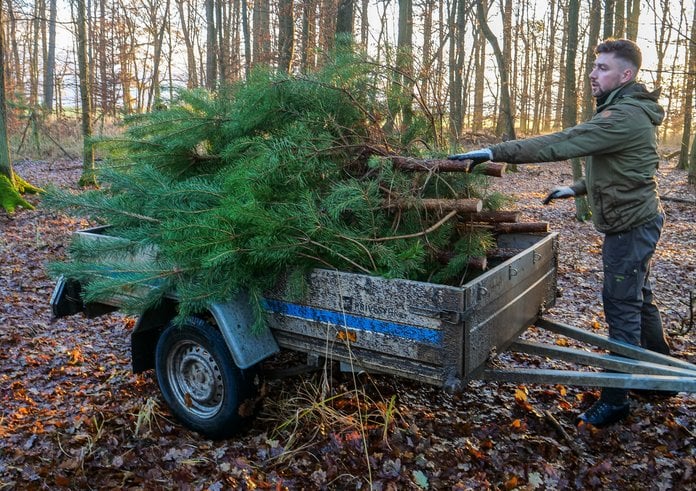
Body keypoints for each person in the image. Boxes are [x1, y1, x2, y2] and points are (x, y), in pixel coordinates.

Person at [449, 38, 672, 428]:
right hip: (638, 220)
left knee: (622, 306)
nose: (592, 73)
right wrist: (577, 188)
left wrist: (494, 151)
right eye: (593, 65)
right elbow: (628, 169)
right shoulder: (630, 111)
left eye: (602, 67)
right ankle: (661, 376)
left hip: (630, 228)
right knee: (640, 299)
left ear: (626, 74)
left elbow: (565, 141)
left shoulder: (623, 116)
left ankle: (617, 398)